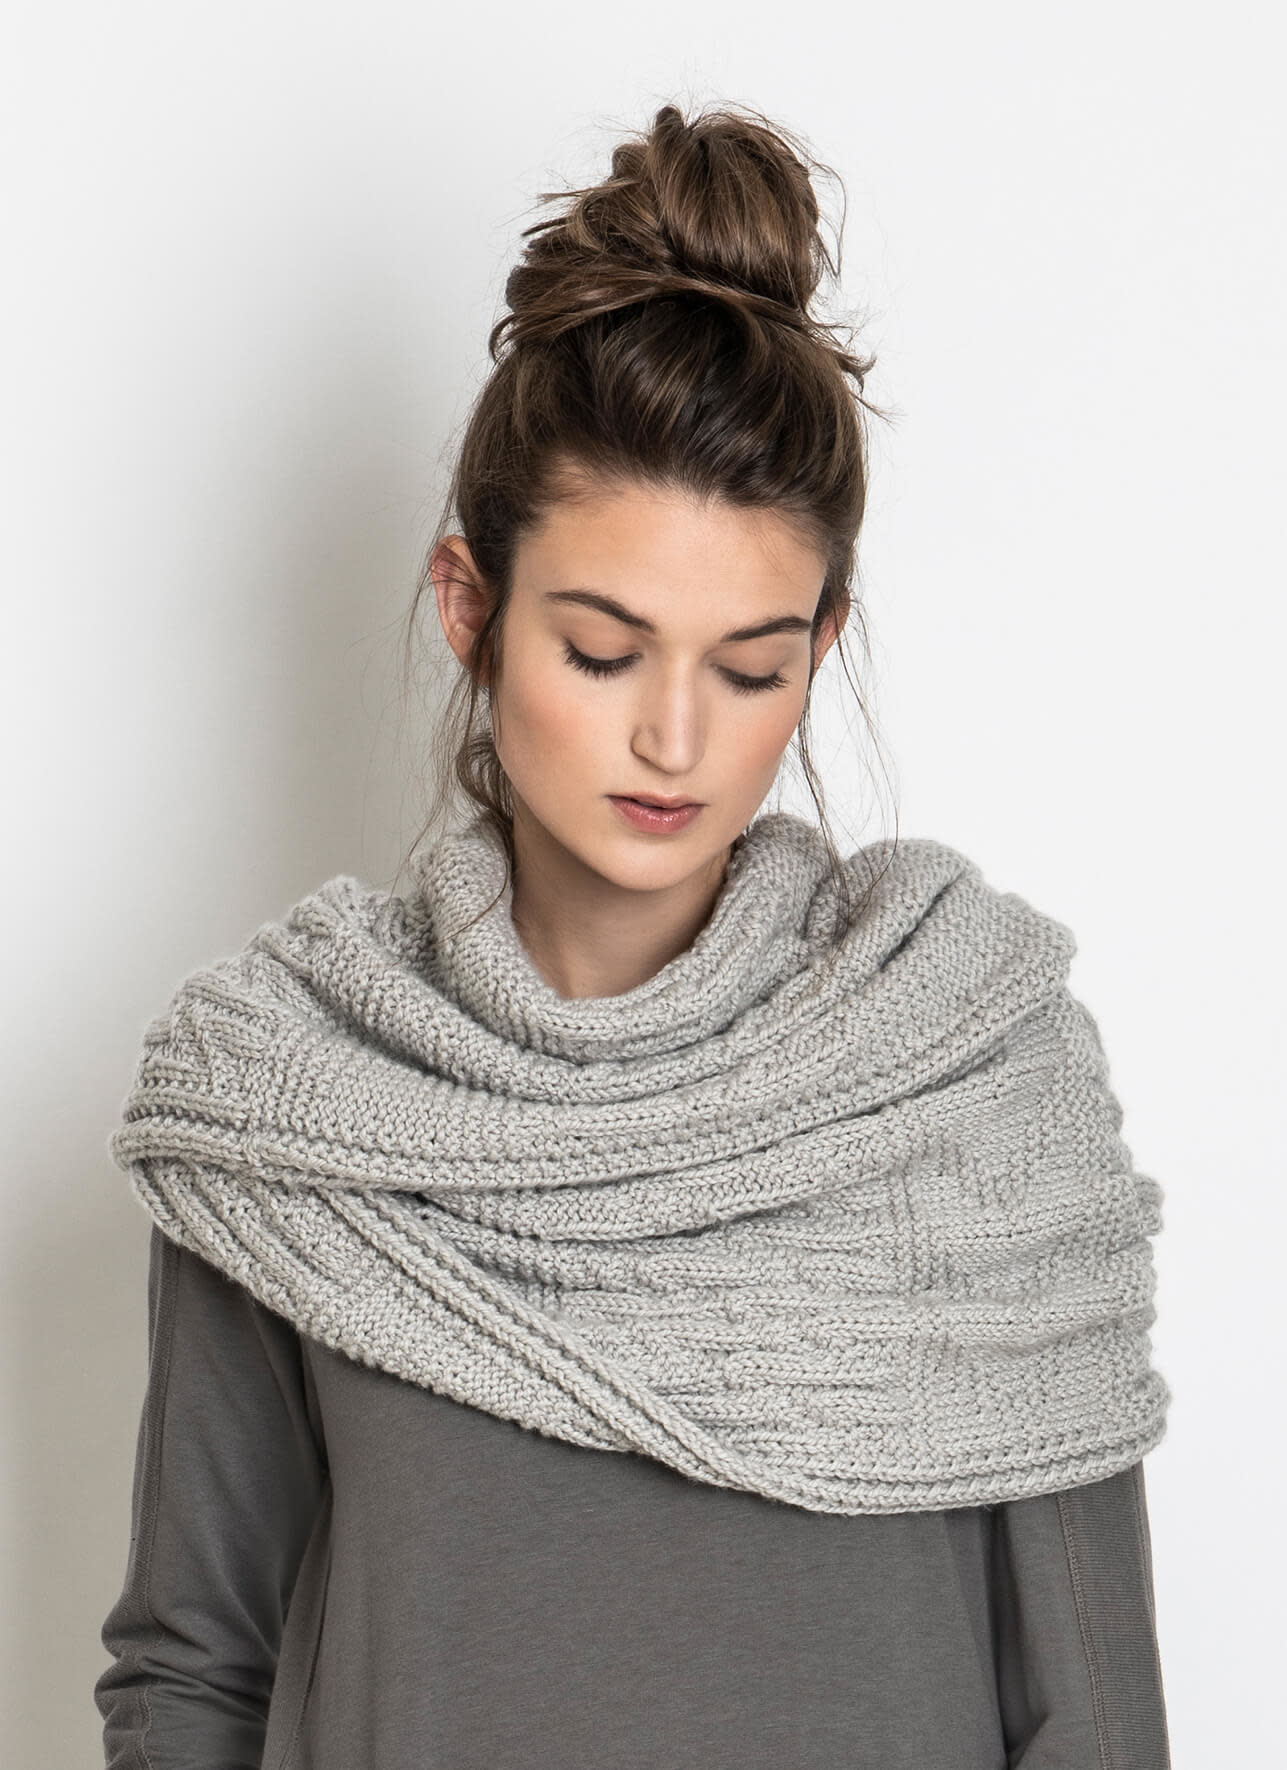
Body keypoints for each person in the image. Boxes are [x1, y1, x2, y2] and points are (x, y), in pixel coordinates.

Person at [94, 102, 1172, 1769]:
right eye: (603, 651)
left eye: (750, 667)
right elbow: (192, 1673)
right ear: (472, 608)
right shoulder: (294, 1102)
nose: (675, 736)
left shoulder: (967, 1069)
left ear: (821, 645)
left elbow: (1092, 1719)